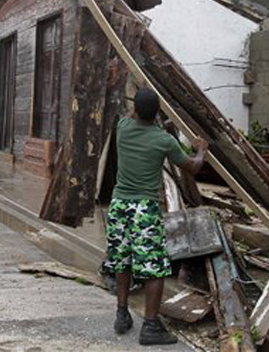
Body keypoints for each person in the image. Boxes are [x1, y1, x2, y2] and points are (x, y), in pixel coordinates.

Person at [103, 88, 208, 346]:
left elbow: (131, 114)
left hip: (119, 206)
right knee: (154, 268)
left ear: (135, 110)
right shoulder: (164, 141)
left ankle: (122, 314)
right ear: (157, 114)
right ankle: (150, 327)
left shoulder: (123, 128)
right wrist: (201, 149)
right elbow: (193, 168)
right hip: (143, 209)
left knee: (122, 260)